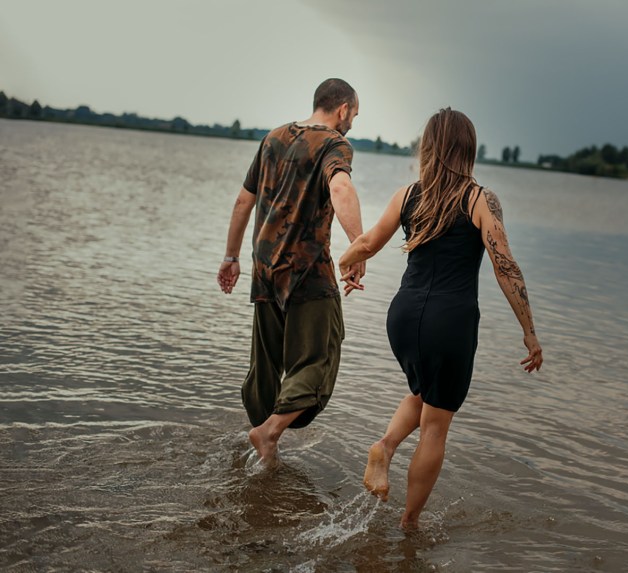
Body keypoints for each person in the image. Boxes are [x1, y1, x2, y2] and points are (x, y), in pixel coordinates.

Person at [338, 108, 543, 528]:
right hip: (449, 322)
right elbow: (506, 267)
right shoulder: (480, 199)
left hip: (403, 316)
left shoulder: (408, 194)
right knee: (436, 425)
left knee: (425, 392)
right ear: (468, 150)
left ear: (428, 147)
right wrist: (529, 332)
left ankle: (384, 447)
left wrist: (345, 263)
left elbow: (367, 243)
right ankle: (409, 525)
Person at [217, 78, 364, 466]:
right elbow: (342, 190)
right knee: (320, 356)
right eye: (354, 115)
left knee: (265, 365)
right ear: (343, 109)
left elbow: (243, 200)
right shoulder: (335, 144)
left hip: (264, 268)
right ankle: (269, 433)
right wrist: (359, 245)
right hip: (307, 275)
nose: (351, 124)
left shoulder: (274, 138)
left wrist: (231, 256)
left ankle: (265, 445)